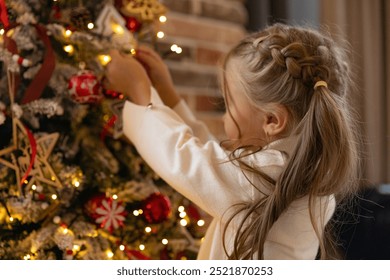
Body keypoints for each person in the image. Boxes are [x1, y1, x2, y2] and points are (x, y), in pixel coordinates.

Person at [104, 23, 360, 260]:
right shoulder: (302, 171)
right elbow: (219, 166)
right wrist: (168, 96)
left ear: (272, 120)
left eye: (228, 105)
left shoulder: (267, 177)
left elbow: (187, 160)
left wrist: (140, 90)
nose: (225, 116)